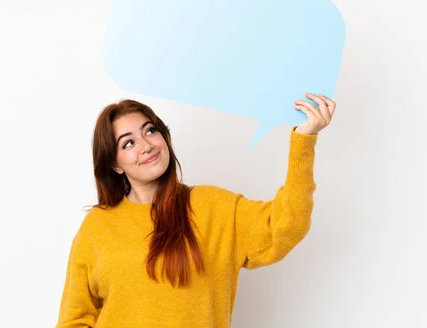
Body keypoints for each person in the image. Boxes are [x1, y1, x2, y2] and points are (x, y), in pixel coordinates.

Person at [55, 92, 336, 327]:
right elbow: (75, 319)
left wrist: (304, 139)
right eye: (128, 143)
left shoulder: (212, 207)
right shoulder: (97, 227)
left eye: (150, 131)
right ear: (115, 165)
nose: (147, 145)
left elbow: (286, 226)